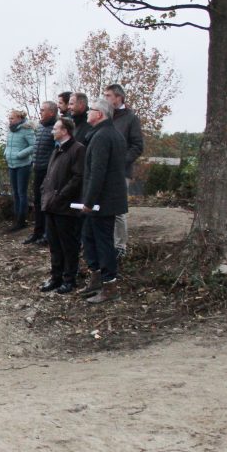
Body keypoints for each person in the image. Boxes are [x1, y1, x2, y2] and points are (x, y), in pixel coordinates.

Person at [79, 98, 129, 304]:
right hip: (106, 199)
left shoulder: (102, 136)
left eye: (90, 110)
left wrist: (89, 202)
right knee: (89, 237)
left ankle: (110, 286)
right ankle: (97, 278)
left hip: (102, 202)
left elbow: (97, 172)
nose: (88, 113)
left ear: (99, 114)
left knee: (103, 242)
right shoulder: (110, 134)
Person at [39, 117, 86, 293]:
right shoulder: (56, 150)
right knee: (54, 244)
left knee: (68, 245)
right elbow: (49, 175)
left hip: (66, 207)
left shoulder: (78, 149)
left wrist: (61, 195)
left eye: (55, 129)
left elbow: (78, 177)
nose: (52, 131)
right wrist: (45, 191)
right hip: (51, 204)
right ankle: (56, 278)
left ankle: (69, 279)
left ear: (65, 131)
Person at [104, 83, 144, 258]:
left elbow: (137, 146)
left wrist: (121, 162)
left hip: (121, 171)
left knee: (118, 210)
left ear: (118, 97)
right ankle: (106, 243)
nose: (105, 99)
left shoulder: (131, 118)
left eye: (108, 96)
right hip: (103, 169)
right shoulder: (106, 117)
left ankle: (120, 246)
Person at [24, 101, 57, 245]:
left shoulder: (56, 128)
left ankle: (47, 234)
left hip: (47, 172)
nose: (40, 112)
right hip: (37, 169)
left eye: (43, 110)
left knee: (47, 204)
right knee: (37, 202)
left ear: (51, 112)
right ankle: (37, 232)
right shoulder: (41, 128)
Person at [4, 109, 35, 232]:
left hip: (23, 165)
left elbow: (33, 145)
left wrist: (20, 154)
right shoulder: (10, 130)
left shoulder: (27, 129)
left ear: (19, 118)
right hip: (12, 164)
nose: (9, 120)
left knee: (22, 193)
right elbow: (8, 145)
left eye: (12, 118)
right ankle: (16, 218)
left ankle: (21, 220)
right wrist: (6, 153)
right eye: (9, 118)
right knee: (15, 192)